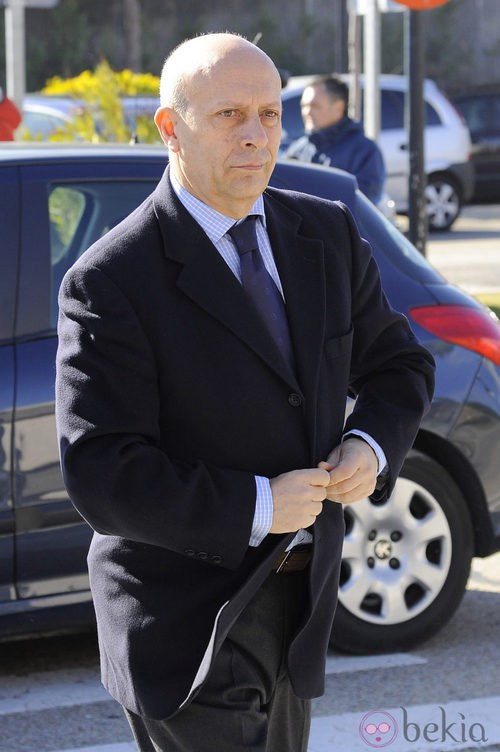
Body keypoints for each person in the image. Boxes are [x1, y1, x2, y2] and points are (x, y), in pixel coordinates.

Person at [55, 33, 435, 752]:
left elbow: (399, 365)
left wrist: (370, 444)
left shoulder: (325, 232)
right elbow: (103, 474)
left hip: (300, 609)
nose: (256, 136)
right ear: (171, 128)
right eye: (229, 115)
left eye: (269, 114)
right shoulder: (110, 280)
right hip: (188, 625)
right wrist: (258, 504)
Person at [285, 75, 386, 205]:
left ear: (339, 108)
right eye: (304, 106)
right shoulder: (298, 149)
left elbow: (362, 201)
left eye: (314, 106)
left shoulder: (364, 151)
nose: (307, 112)